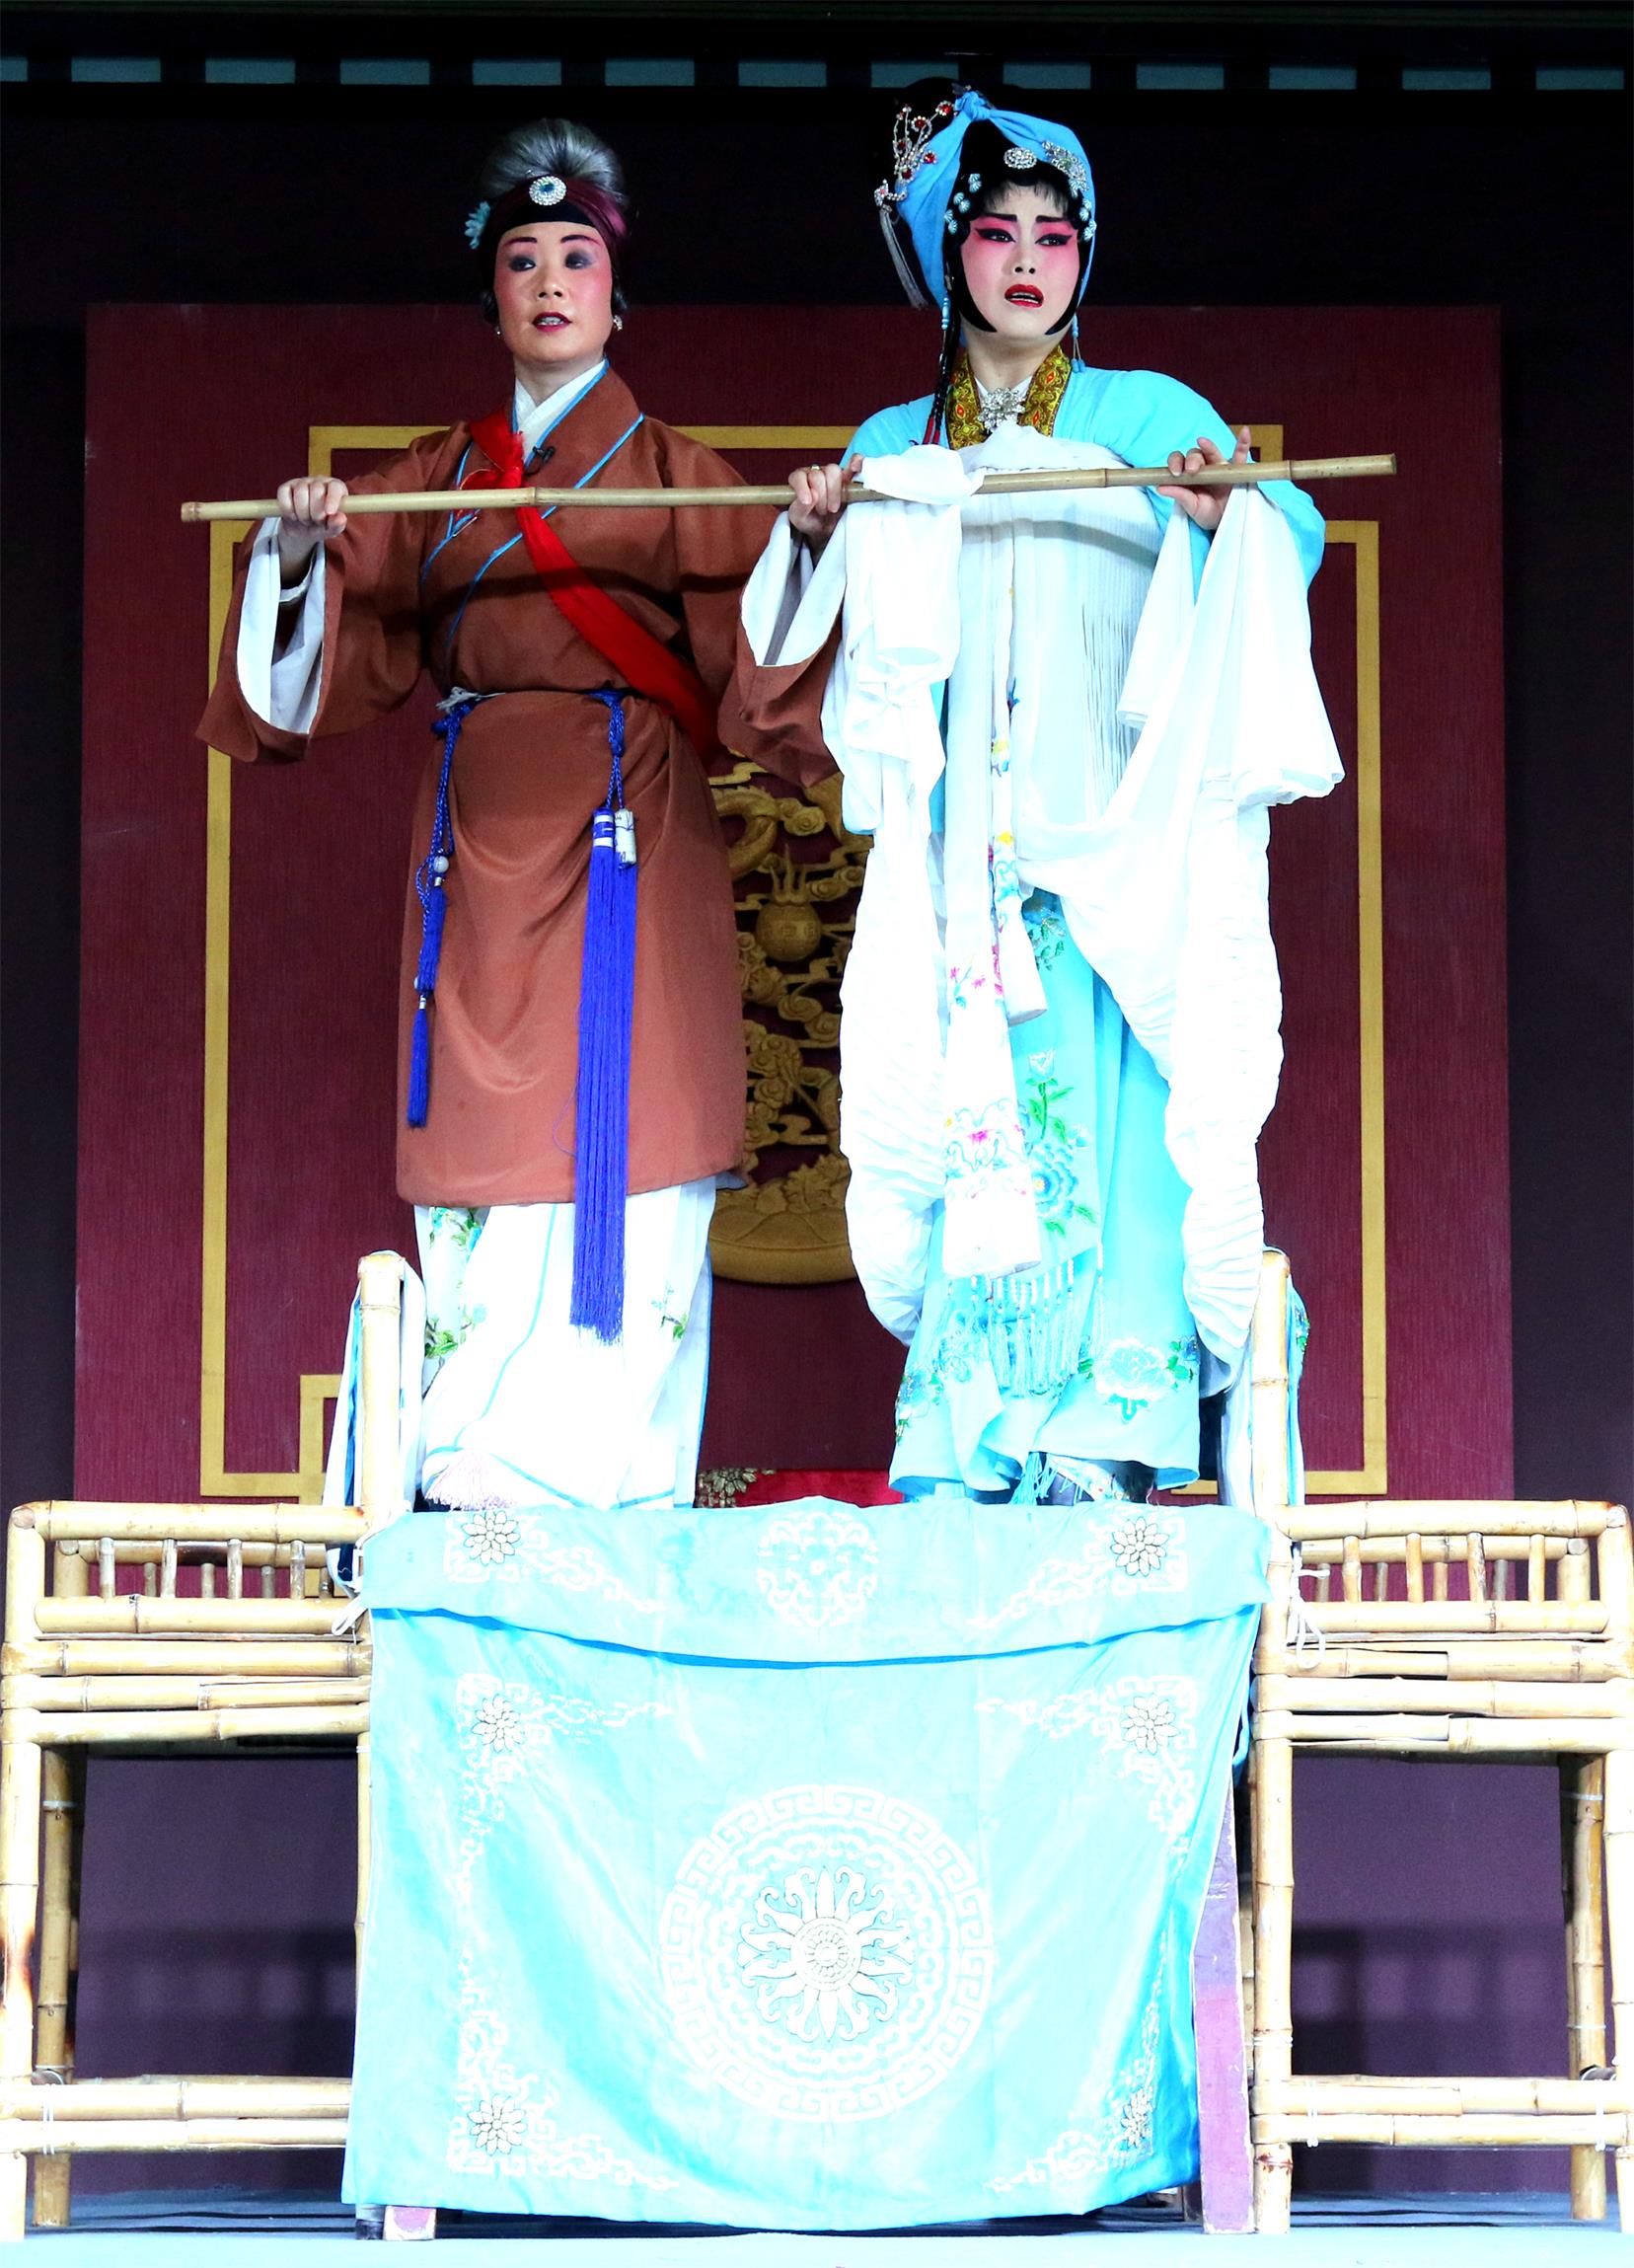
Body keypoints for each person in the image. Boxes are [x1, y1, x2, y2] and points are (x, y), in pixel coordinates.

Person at [736, 87, 1338, 1509]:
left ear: (1084, 258)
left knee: (1122, 1115)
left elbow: (1293, 532)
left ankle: (1107, 1426)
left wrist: (1224, 512)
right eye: (995, 232)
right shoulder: (896, 437)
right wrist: (818, 533)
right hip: (967, 859)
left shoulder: (1150, 415)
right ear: (952, 256)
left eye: (1053, 237)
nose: (1024, 261)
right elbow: (795, 648)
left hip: (1113, 839)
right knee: (979, 1126)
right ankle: (977, 1426)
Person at [200, 118, 775, 1517]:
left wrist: (810, 544)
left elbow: (772, 666)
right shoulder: (427, 481)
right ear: (493, 297)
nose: (551, 282)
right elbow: (323, 666)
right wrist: (297, 548)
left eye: (579, 257)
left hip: (633, 830)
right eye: (523, 260)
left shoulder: (683, 473)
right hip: (478, 848)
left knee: (634, 1137)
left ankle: (588, 1479)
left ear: (618, 298)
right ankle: (468, 1460)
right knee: (484, 1149)